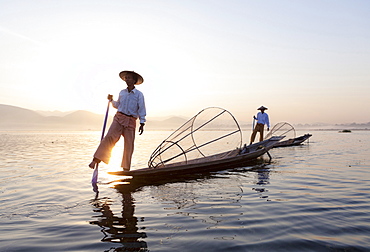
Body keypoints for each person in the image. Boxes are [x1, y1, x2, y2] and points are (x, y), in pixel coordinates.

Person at [89, 70, 146, 171]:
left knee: (129, 145)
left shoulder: (139, 95)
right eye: (126, 78)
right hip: (119, 118)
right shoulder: (122, 92)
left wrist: (142, 122)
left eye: (129, 78)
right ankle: (96, 160)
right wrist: (111, 101)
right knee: (109, 138)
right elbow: (118, 105)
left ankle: (126, 168)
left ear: (134, 80)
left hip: (131, 121)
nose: (127, 80)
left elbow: (141, 109)